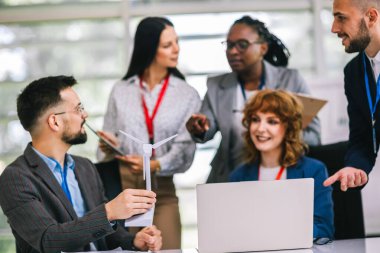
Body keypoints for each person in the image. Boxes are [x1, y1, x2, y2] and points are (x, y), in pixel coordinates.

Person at [0, 76, 162, 253]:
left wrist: (134, 241)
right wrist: (109, 212)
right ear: (55, 121)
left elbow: (104, 232)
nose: (85, 114)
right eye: (78, 109)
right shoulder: (15, 178)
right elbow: (48, 239)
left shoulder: (85, 167)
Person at [97, 17, 201, 249]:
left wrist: (155, 165)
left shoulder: (187, 94)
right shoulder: (121, 90)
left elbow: (185, 148)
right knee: (123, 248)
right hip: (122, 190)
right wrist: (107, 144)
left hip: (161, 189)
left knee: (168, 248)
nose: (176, 49)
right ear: (149, 48)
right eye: (167, 45)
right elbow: (106, 143)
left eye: (176, 42)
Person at [186, 16, 321, 183]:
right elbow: (207, 127)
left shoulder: (290, 80)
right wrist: (199, 128)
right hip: (230, 177)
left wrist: (279, 136)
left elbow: (313, 136)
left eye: (242, 44)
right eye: (229, 45)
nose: (233, 51)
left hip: (280, 177)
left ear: (263, 48)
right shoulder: (217, 86)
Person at [229, 89, 334, 240]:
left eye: (272, 121)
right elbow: (233, 231)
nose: (260, 128)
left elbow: (324, 229)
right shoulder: (238, 176)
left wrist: (276, 231)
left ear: (289, 128)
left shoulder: (313, 171)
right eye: (255, 119)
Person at [324, 0, 379, 191]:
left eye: (341, 18)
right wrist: (355, 166)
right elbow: (362, 136)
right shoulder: (354, 71)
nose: (334, 28)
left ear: (371, 17)